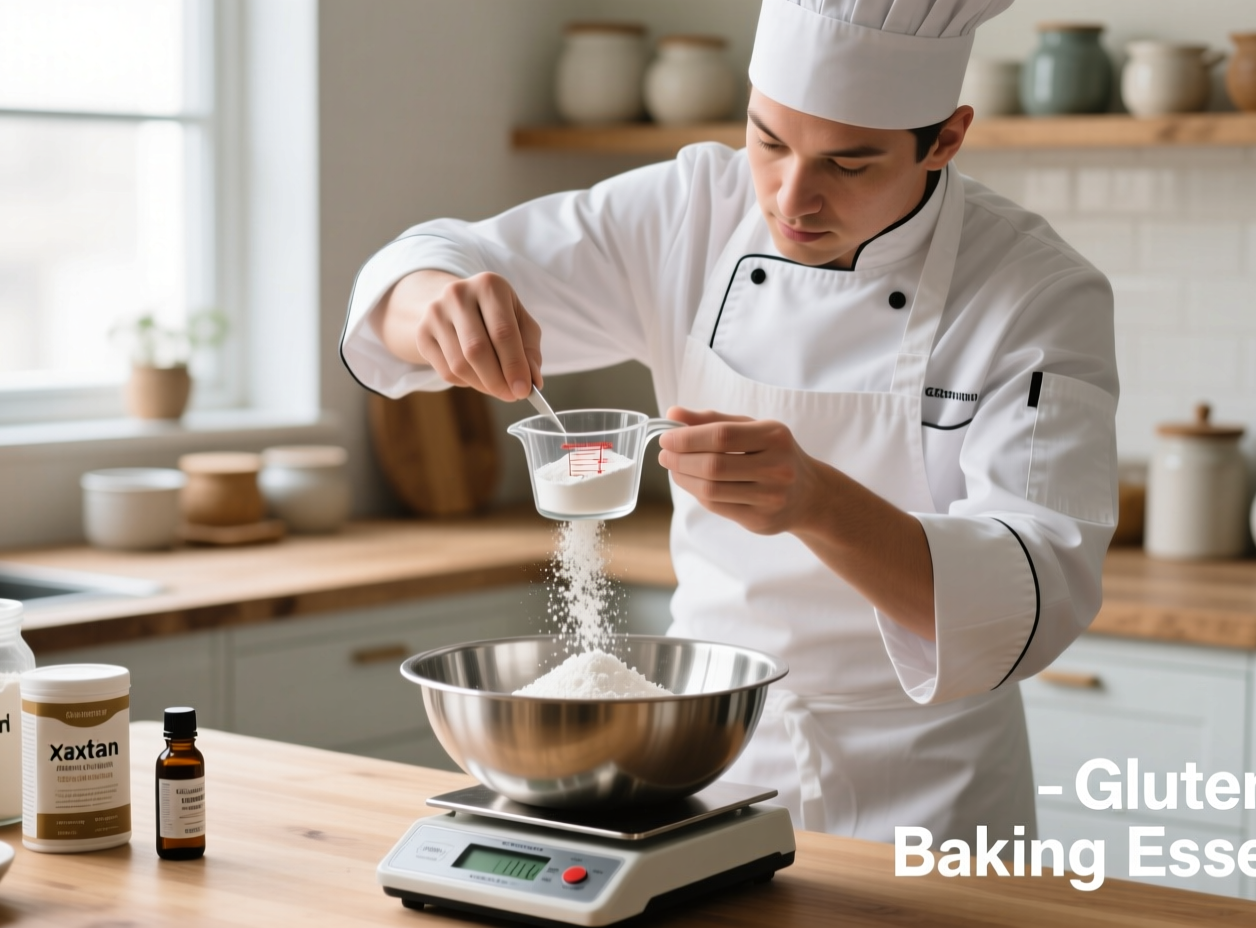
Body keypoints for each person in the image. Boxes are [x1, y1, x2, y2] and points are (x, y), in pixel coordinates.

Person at [342, 0, 1117, 844]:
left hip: (930, 785)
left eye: (850, 165)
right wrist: (436, 305)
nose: (793, 200)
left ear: (946, 139)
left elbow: (1034, 593)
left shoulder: (1037, 294)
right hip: (704, 761)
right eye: (769, 140)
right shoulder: (693, 211)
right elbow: (424, 262)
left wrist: (818, 502)